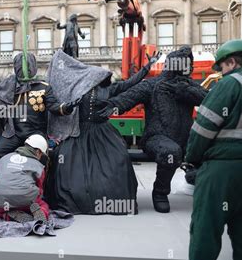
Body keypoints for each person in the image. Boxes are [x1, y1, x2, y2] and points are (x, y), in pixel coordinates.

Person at [46, 51, 161, 215]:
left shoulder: (109, 89)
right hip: (80, 131)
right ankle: (77, 199)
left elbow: (130, 83)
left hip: (103, 131)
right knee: (67, 163)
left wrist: (147, 68)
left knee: (119, 158)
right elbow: (63, 82)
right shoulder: (78, 90)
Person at [98, 46, 208, 213]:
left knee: (211, 149)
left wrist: (185, 90)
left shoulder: (187, 86)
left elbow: (210, 100)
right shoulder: (152, 85)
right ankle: (160, 193)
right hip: (156, 138)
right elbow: (125, 99)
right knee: (170, 151)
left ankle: (201, 185)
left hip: (186, 139)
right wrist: (107, 108)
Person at [185, 40, 242, 260]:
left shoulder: (231, 83)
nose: (221, 72)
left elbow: (203, 127)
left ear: (231, 61)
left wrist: (192, 158)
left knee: (205, 233)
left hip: (222, 169)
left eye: (221, 67)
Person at [0, 53, 80, 162]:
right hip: (14, 133)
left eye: (27, 65)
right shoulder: (8, 87)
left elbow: (53, 107)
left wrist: (65, 107)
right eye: (21, 65)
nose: (23, 68)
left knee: (40, 158)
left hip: (35, 132)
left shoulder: (43, 87)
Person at [0, 135, 50, 223]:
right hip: (25, 199)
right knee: (43, 204)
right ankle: (40, 213)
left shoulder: (4, 158)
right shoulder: (38, 166)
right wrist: (35, 200)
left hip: (2, 199)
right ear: (38, 152)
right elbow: (39, 189)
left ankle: (7, 215)